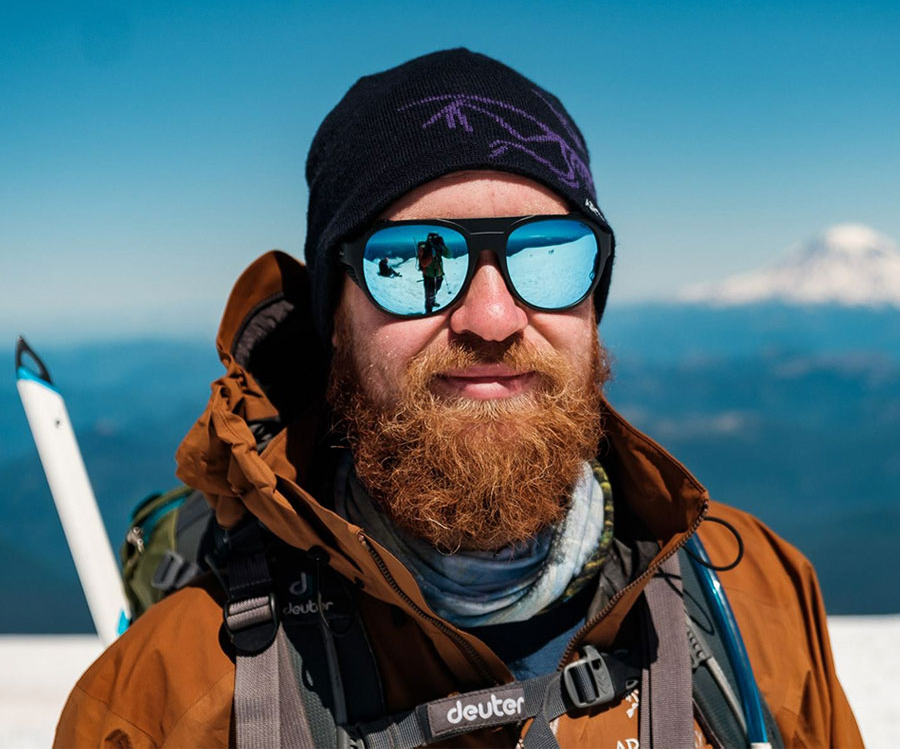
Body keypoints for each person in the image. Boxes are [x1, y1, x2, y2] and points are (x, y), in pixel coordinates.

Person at [56, 49, 861, 748]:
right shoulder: (166, 701)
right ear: (335, 320)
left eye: (547, 254)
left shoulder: (756, 600)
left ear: (593, 304)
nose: (493, 318)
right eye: (414, 260)